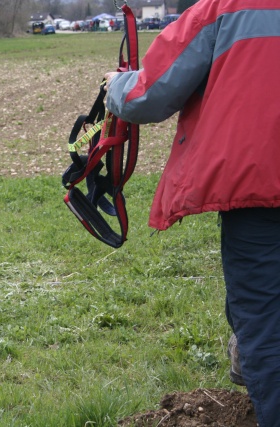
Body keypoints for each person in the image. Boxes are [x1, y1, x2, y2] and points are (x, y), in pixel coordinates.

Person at [103, 0, 280, 425]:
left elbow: (151, 92)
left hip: (257, 185)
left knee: (263, 318)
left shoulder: (226, 8)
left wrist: (116, 86)